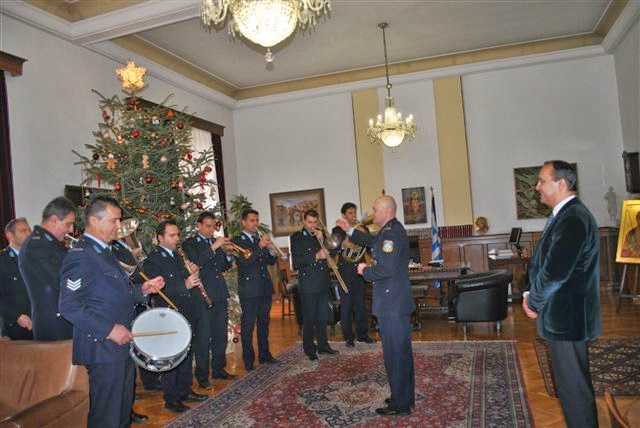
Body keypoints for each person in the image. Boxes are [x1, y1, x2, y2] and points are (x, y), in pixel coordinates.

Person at [59, 196, 165, 428]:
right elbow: (69, 306)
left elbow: (115, 292)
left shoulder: (104, 251)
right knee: (107, 417)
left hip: (119, 345)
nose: (119, 226)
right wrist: (108, 330)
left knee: (121, 413)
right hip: (102, 347)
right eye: (113, 221)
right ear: (93, 221)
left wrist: (143, 289)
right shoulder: (81, 255)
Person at [522, 160, 601, 428]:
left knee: (574, 391)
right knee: (570, 389)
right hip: (564, 318)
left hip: (568, 320)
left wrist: (533, 301)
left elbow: (556, 272)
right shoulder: (564, 215)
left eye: (542, 181)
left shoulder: (573, 218)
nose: (537, 187)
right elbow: (543, 261)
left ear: (562, 183)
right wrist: (528, 290)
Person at [336, 195, 415, 416]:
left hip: (392, 305)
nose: (372, 213)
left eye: (375, 209)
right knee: (400, 353)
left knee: (395, 355)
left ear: (387, 212)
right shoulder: (389, 230)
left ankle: (400, 405)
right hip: (395, 302)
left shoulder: (391, 234)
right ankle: (403, 396)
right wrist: (350, 230)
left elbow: (385, 269)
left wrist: (365, 271)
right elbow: (372, 242)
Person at [143, 220, 208, 413]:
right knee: (172, 357)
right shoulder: (153, 260)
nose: (177, 239)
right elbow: (157, 289)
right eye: (172, 235)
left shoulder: (178, 255)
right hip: (169, 313)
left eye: (177, 235)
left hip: (187, 310)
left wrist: (192, 272)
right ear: (160, 238)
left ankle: (185, 390)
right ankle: (171, 399)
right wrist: (184, 285)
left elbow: (183, 278)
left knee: (187, 353)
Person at [182, 212, 235, 387]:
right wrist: (214, 247)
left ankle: (219, 369)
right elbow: (196, 262)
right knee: (203, 338)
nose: (212, 230)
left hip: (219, 293)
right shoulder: (190, 243)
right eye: (208, 226)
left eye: (213, 226)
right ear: (198, 226)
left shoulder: (214, 242)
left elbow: (222, 266)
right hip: (202, 295)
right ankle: (202, 376)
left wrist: (228, 255)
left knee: (220, 334)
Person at [19, 196, 76, 340]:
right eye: (68, 224)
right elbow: (64, 281)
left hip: (64, 321)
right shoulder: (37, 246)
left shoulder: (50, 244)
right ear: (54, 220)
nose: (71, 230)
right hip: (55, 327)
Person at [231, 209, 278, 371]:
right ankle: (249, 360)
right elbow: (245, 262)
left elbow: (270, 261)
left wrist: (271, 250)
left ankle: (265, 355)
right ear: (243, 222)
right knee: (248, 326)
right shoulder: (237, 241)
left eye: (257, 220)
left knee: (264, 323)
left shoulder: (259, 239)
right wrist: (260, 246)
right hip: (249, 289)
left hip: (264, 287)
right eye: (252, 221)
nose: (256, 223)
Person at [291, 209, 340, 360]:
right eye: (309, 222)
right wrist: (317, 256)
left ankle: (323, 346)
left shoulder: (321, 234)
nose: (312, 225)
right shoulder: (297, 237)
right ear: (304, 221)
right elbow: (297, 262)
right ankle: (309, 349)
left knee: (323, 317)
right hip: (308, 283)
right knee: (309, 318)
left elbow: (334, 251)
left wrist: (323, 239)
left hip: (323, 281)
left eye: (315, 222)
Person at [331, 203, 374, 347]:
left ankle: (362, 335)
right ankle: (348, 337)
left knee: (361, 305)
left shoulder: (360, 228)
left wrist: (362, 234)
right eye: (350, 213)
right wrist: (343, 245)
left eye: (354, 212)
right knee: (347, 306)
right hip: (345, 271)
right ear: (343, 215)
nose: (353, 215)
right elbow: (331, 248)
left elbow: (369, 246)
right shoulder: (337, 230)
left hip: (359, 270)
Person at [0, 218, 33, 340]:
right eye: (23, 231)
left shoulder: (36, 258)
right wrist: (16, 316)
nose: (28, 234)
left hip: (40, 323)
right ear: (10, 235)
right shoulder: (2, 261)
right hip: (15, 328)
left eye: (29, 230)